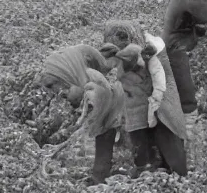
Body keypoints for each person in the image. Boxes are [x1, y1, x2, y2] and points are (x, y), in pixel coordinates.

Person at [39, 45, 125, 184]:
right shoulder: (86, 82)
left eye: (54, 84)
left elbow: (101, 130)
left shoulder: (96, 87)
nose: (57, 91)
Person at [108, 36, 188, 176]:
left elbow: (158, 84)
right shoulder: (135, 67)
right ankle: (150, 166)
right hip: (142, 110)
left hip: (149, 109)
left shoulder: (148, 63)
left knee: (148, 140)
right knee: (145, 140)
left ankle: (150, 166)